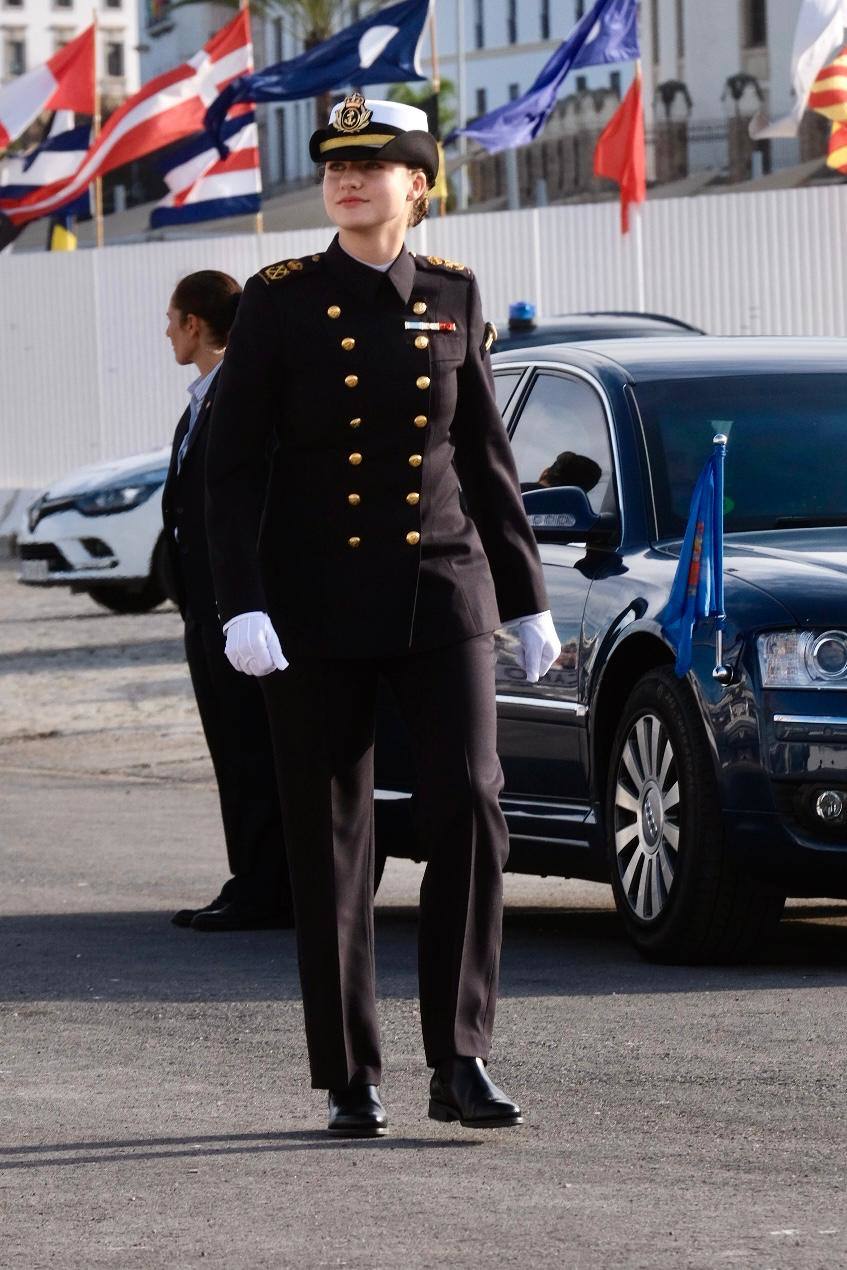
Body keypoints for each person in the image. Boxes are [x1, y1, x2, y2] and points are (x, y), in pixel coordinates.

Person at [205, 98, 560, 1136]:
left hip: (440, 590)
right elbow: (232, 468)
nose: (348, 179)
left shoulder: (452, 291)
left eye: (372, 164)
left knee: (472, 803)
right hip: (312, 604)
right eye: (335, 166)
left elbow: (483, 456)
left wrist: (525, 596)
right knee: (332, 838)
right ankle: (349, 1073)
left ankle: (461, 1056)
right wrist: (241, 601)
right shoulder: (279, 299)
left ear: (418, 183)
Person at [161, 270, 293, 932]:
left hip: (239, 608)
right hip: (205, 608)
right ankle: (250, 879)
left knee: (252, 748)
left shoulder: (242, 394)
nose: (166, 333)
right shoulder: (201, 400)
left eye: (171, 320)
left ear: (194, 323)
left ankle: (268, 889)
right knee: (232, 748)